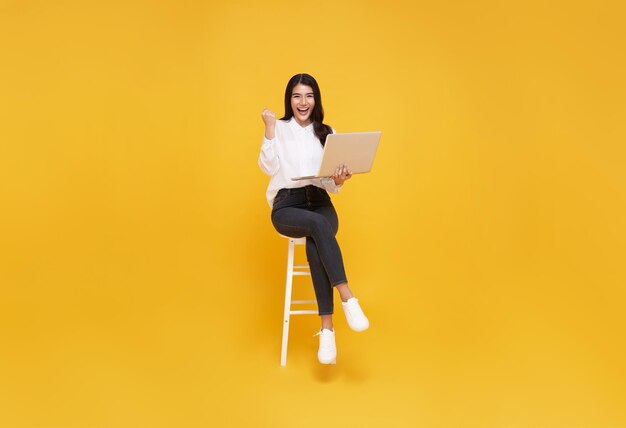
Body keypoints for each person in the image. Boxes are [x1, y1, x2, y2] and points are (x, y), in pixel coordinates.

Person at [258, 73, 369, 365]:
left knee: (316, 239)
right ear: (289, 100)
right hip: (287, 204)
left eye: (308, 96)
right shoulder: (279, 128)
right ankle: (348, 298)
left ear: (316, 99)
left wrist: (340, 179)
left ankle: (327, 330)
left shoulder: (327, 131)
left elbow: (331, 186)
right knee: (319, 228)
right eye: (297, 96)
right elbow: (267, 166)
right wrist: (269, 130)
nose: (303, 102)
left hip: (320, 201)